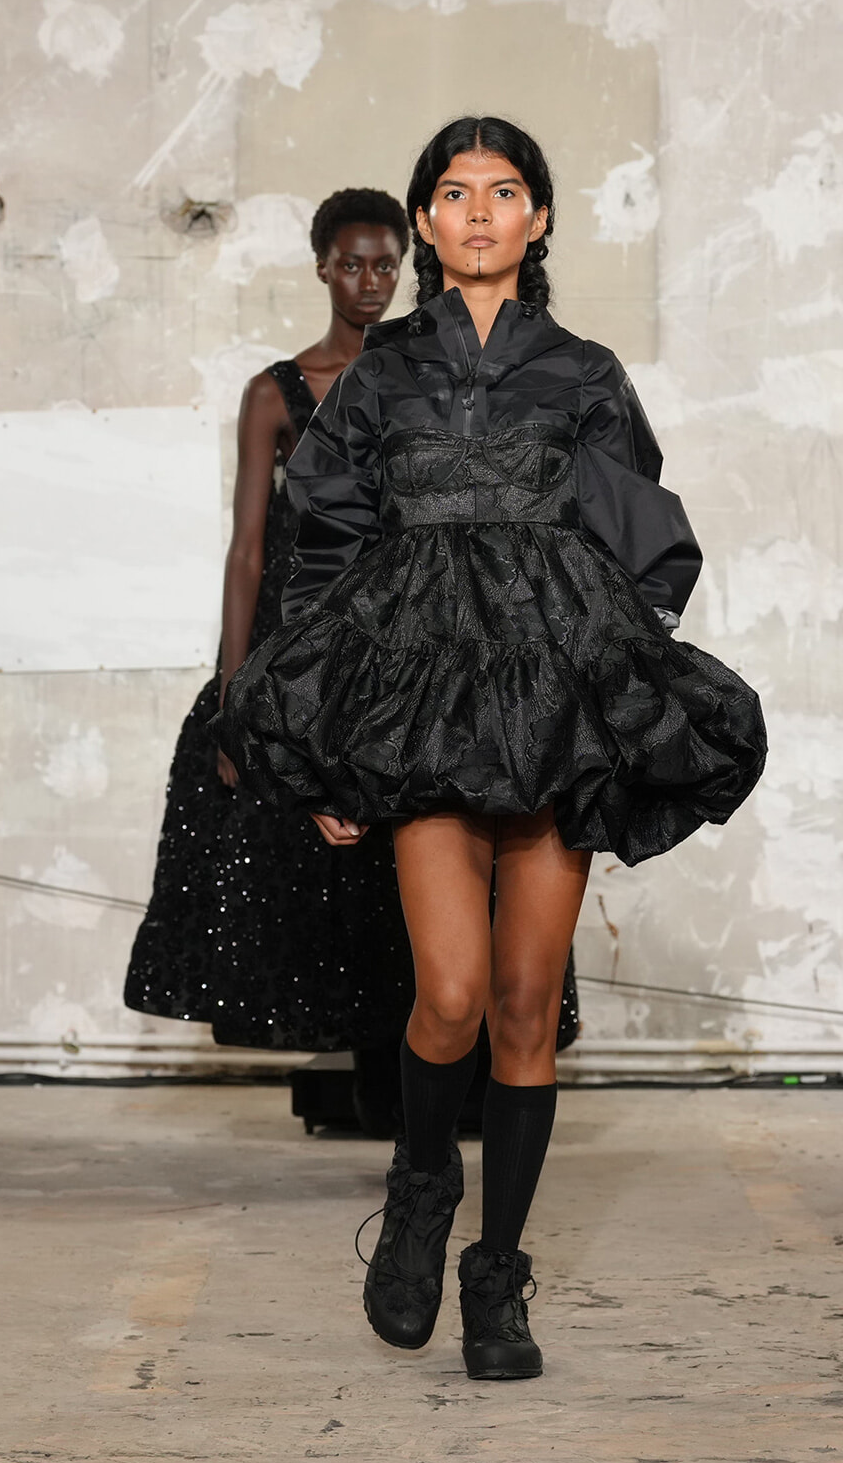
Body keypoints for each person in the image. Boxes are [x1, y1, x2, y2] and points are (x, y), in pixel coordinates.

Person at [216, 119, 766, 1380]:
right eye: (454, 193)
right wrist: (330, 743)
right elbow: (324, 557)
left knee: (526, 1010)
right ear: (422, 222)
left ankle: (497, 1276)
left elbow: (643, 551)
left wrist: (614, 702)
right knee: (450, 997)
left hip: (553, 718)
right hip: (419, 721)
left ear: (540, 219)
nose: (477, 212)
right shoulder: (380, 378)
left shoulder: (584, 374)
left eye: (503, 192)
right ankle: (421, 1188)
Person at [125, 190, 420, 1127]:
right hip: (304, 654)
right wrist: (231, 694)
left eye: (386, 264)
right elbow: (249, 548)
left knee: (404, 868)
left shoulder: (426, 380)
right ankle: (374, 1083)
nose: (370, 281)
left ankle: (418, 1080)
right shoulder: (278, 392)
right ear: (322, 267)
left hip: (404, 647)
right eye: (352, 264)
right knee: (312, 862)